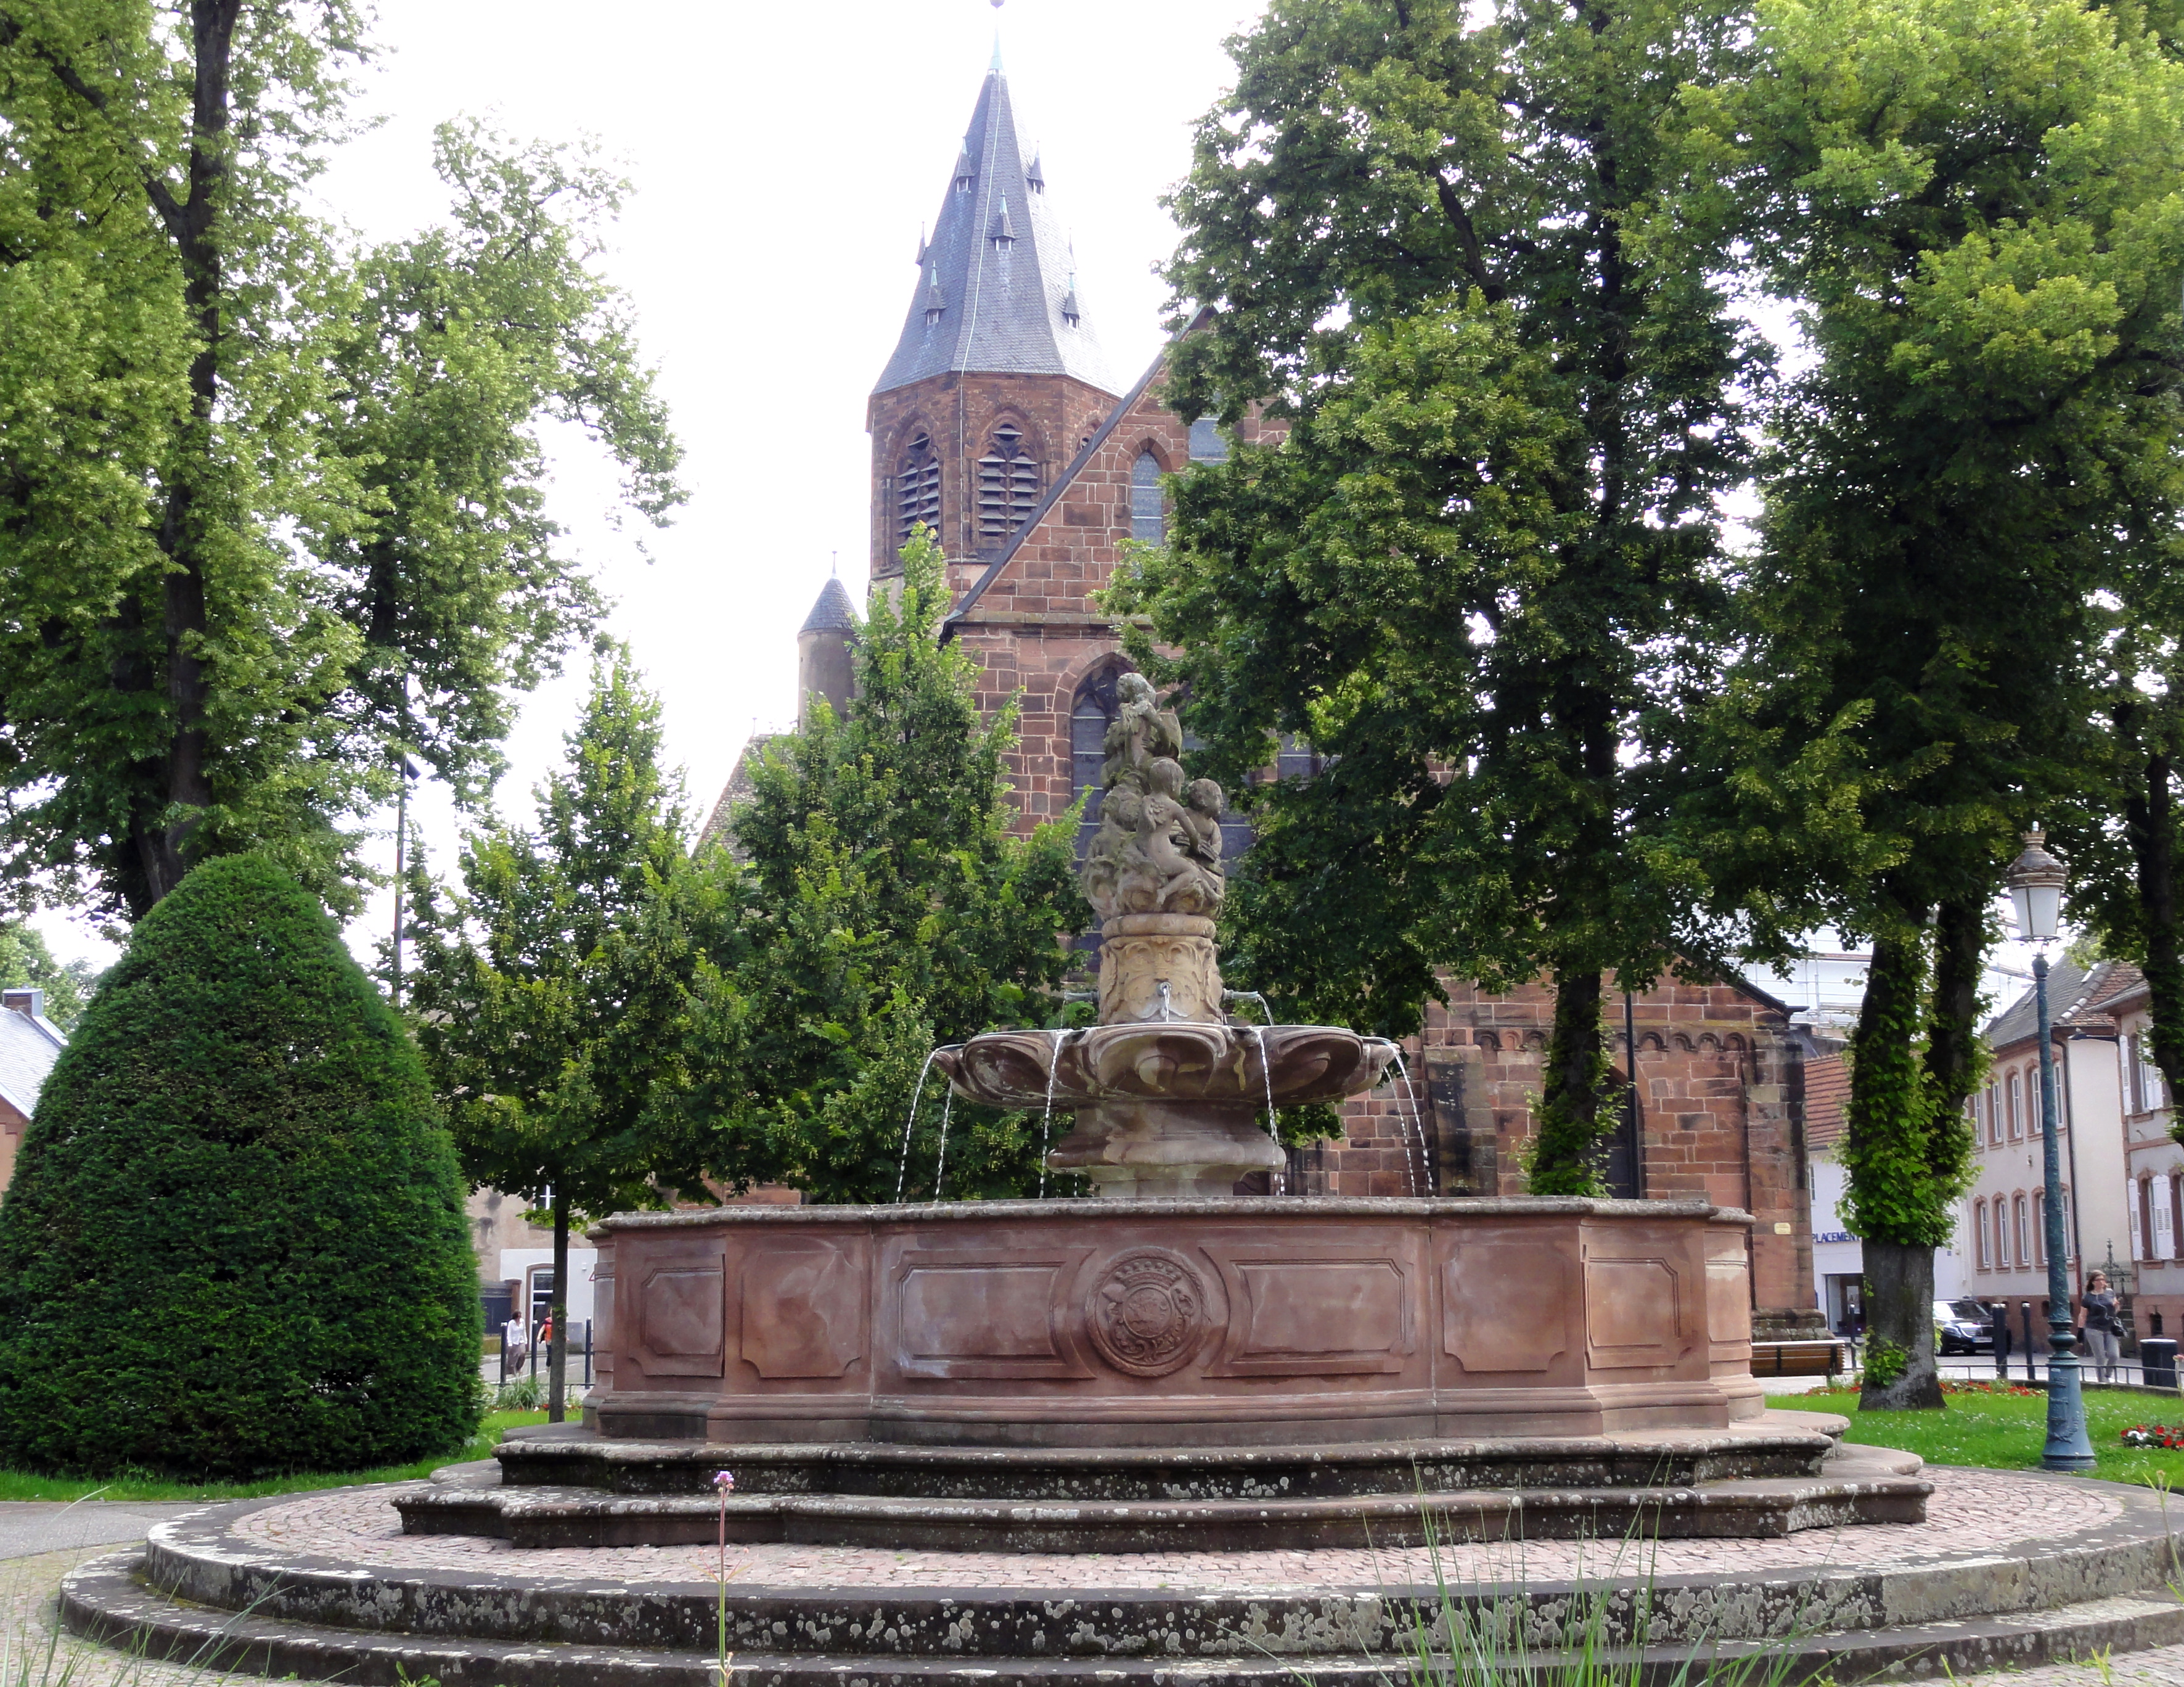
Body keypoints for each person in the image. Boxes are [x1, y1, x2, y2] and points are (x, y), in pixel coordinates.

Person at [2080, 1271, 2121, 1383]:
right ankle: (2102, 1381)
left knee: (2114, 1355)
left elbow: (2115, 1311)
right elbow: (2083, 1314)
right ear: (2093, 1282)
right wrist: (2080, 1330)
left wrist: (2117, 1306)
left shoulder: (2110, 1293)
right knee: (2100, 1357)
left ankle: (2108, 1375)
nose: (2102, 1282)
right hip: (2093, 1328)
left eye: (2103, 1279)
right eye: (2099, 1280)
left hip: (2110, 1328)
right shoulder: (2088, 1297)